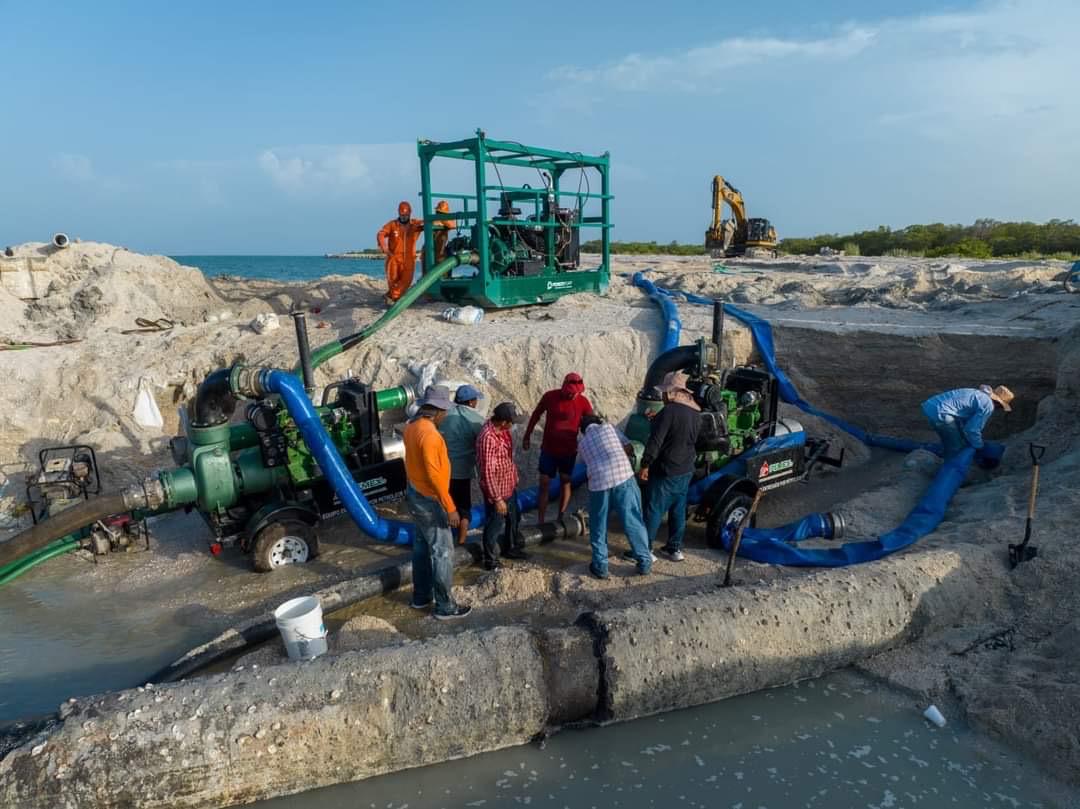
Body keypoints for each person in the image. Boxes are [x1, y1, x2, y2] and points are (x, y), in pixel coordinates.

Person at [403, 385, 471, 620]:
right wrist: (450, 508)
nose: (446, 415)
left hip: (415, 492)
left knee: (422, 548)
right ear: (439, 411)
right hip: (430, 499)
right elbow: (434, 476)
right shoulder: (431, 436)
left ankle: (421, 597)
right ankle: (444, 606)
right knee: (442, 552)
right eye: (446, 411)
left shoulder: (411, 427)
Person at [577, 413, 652, 579]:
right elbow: (630, 447)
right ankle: (644, 563)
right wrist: (616, 454)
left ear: (583, 430)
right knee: (632, 521)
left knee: (598, 526)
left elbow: (587, 463)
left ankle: (600, 567)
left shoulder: (582, 443)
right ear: (598, 421)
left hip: (599, 485)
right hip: (623, 478)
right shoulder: (609, 427)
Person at [639, 371, 702, 562]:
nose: (663, 396)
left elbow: (656, 441)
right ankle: (674, 549)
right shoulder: (695, 413)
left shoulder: (668, 412)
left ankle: (645, 550)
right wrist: (657, 419)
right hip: (686, 469)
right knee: (678, 510)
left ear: (672, 392)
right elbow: (686, 437)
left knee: (653, 509)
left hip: (666, 469)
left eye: (665, 392)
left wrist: (645, 464)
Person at [523, 372, 593, 524]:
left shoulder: (583, 402)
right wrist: (527, 435)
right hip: (549, 449)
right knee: (544, 482)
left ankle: (560, 516)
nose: (574, 396)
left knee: (565, 481)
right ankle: (541, 520)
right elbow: (536, 414)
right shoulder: (550, 397)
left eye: (577, 393)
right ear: (564, 387)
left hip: (568, 451)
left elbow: (592, 423)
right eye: (571, 393)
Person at [476, 402, 529, 570]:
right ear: (504, 421)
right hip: (497, 491)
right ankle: (490, 560)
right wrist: (497, 499)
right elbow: (487, 472)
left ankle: (511, 548)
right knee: (494, 524)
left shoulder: (503, 432)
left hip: (508, 486)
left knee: (514, 518)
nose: (513, 425)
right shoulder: (488, 438)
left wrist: (514, 475)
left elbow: (507, 458)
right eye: (512, 421)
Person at [438, 384, 486, 546]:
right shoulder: (476, 420)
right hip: (463, 471)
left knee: (446, 505)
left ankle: (444, 540)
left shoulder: (444, 414)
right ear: (471, 402)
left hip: (443, 469)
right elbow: (484, 441)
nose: (477, 402)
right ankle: (461, 542)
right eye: (475, 400)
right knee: (464, 508)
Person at [921, 385, 1014, 460]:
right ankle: (949, 467)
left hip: (931, 406)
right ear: (998, 403)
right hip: (941, 413)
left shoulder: (978, 394)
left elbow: (964, 421)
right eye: (1001, 407)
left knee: (955, 439)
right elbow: (971, 429)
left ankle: (938, 452)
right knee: (956, 447)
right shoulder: (988, 405)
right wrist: (979, 447)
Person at [377, 201, 424, 306]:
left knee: (406, 281)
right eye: (402, 215)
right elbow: (381, 234)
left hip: (408, 259)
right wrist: (383, 246)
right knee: (393, 282)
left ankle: (391, 297)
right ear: (399, 213)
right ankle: (392, 297)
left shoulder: (414, 224)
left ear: (410, 213)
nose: (404, 217)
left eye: (406, 215)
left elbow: (428, 223)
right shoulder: (392, 224)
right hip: (393, 258)